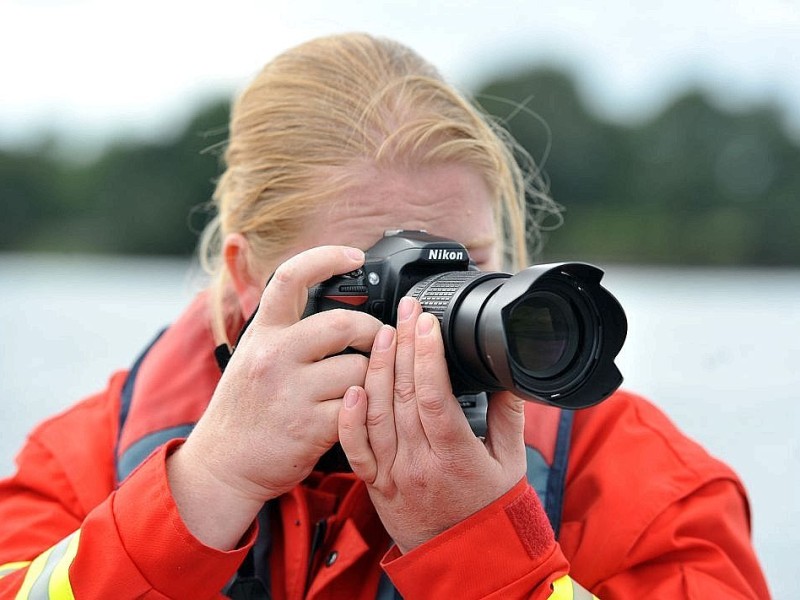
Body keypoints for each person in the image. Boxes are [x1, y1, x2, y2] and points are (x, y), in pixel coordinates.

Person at [0, 33, 770, 599]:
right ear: (248, 280)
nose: (428, 321)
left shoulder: (642, 486)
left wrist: (480, 548)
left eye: (467, 266)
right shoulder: (85, 464)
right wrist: (203, 490)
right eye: (375, 275)